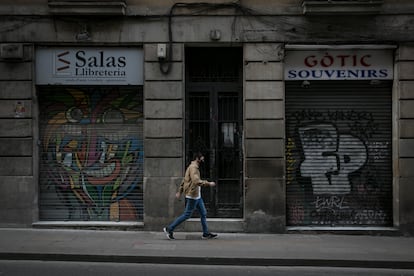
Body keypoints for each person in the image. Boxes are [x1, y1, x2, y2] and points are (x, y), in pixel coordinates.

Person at [163, 152, 218, 240]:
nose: (203, 159)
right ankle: (169, 229)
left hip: (197, 195)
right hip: (193, 196)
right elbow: (196, 181)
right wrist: (208, 183)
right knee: (187, 215)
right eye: (202, 157)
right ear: (197, 158)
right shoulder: (193, 168)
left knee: (203, 213)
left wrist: (179, 191)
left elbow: (185, 180)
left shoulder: (192, 167)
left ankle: (206, 233)